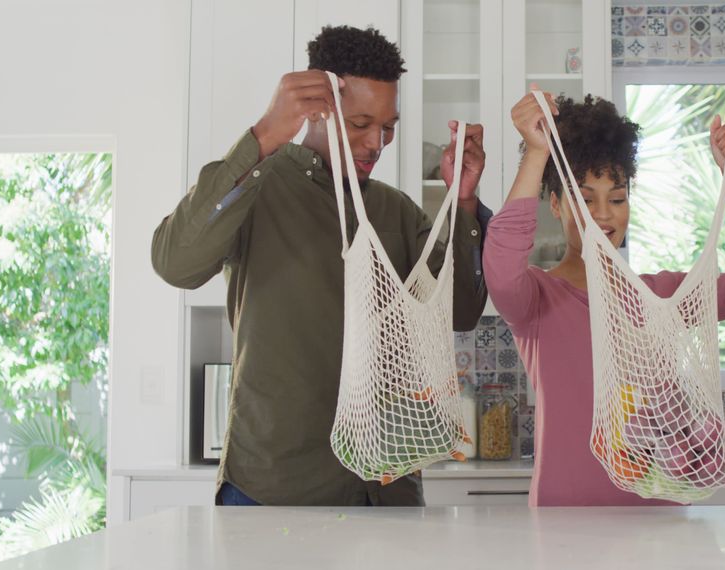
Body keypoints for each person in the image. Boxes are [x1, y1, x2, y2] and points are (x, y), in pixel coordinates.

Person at [152, 25, 491, 507]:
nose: (377, 143)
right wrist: (263, 135)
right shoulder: (256, 188)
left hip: (387, 490)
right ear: (316, 107)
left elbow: (460, 311)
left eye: (388, 126)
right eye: (360, 124)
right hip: (274, 488)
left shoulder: (396, 211)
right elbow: (174, 263)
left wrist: (463, 202)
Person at [482, 90, 725, 506]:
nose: (603, 215)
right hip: (564, 521)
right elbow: (500, 262)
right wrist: (536, 153)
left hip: (657, 521)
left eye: (617, 198)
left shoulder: (658, 298)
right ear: (555, 203)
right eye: (585, 199)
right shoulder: (534, 298)